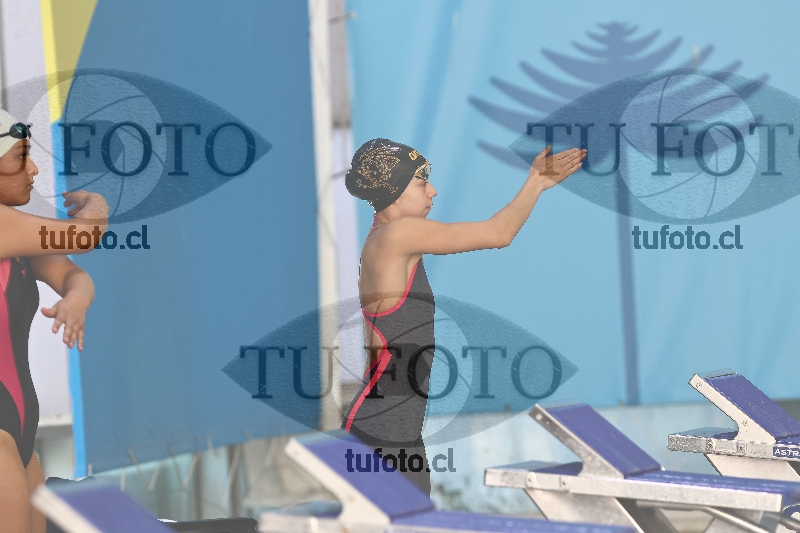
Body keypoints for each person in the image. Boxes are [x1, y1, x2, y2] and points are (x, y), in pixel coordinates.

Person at [342, 138, 585, 494]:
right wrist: (536, 182)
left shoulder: (387, 238)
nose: (433, 192)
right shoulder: (398, 234)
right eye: (422, 183)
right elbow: (499, 233)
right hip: (382, 432)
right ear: (394, 190)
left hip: (394, 429)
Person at [0, 109, 108, 533]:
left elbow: (72, 275)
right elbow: (84, 236)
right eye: (20, 158)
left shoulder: (18, 234)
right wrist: (98, 204)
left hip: (19, 428)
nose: (33, 169)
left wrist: (77, 299)